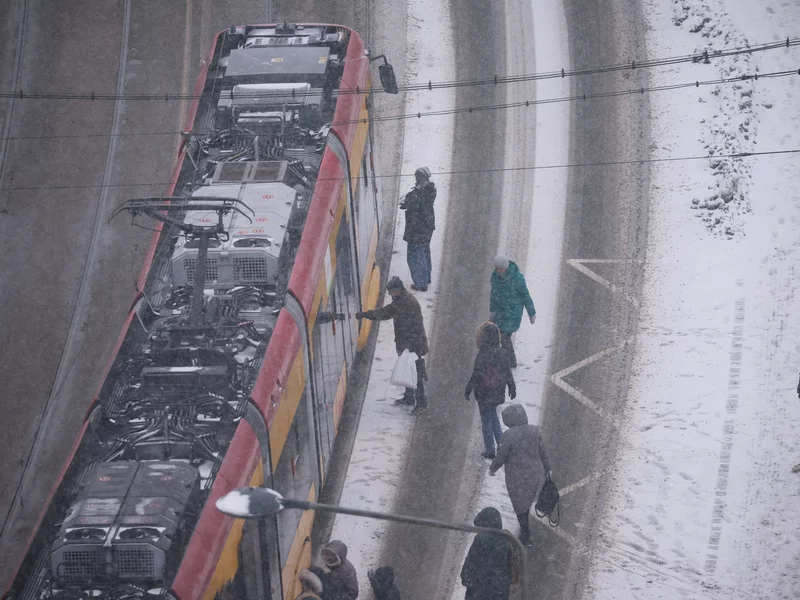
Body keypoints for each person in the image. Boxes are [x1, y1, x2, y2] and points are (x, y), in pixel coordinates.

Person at [356, 276, 429, 415]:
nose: (390, 294)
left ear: (397, 290)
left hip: (413, 346)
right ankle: (409, 397)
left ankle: (421, 403)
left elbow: (384, 313)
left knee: (416, 374)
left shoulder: (404, 303)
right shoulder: (404, 300)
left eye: (391, 292)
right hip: (410, 344)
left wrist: (366, 314)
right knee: (409, 371)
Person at [489, 404, 551, 545]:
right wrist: (548, 468)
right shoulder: (535, 431)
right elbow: (543, 452)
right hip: (533, 473)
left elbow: (501, 456)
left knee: (519, 503)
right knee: (527, 499)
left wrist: (493, 468)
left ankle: (525, 532)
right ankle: (525, 526)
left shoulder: (508, 436)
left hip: (515, 476)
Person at [465, 322, 516, 459]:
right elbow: (507, 372)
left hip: (484, 393)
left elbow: (476, 374)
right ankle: (500, 443)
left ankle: (490, 449)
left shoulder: (482, 354)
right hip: (497, 392)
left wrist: (469, 388)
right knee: (493, 416)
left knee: (486, 420)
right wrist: (511, 386)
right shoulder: (503, 353)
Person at [489, 255, 536, 368]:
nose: (499, 271)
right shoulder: (495, 277)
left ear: (506, 267)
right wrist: (492, 310)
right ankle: (506, 360)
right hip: (500, 312)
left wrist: (531, 313)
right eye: (497, 268)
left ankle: (510, 362)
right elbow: (493, 296)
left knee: (505, 337)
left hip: (512, 313)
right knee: (499, 336)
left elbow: (525, 296)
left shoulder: (517, 279)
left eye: (501, 268)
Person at [460, 507, 513, 600]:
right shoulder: (506, 540)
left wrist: (466, 577)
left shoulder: (481, 539)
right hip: (499, 593)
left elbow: (470, 563)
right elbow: (509, 570)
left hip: (478, 591)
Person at [399, 166, 436, 292]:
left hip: (416, 230)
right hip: (427, 227)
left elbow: (410, 202)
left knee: (415, 256)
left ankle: (421, 283)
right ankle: (427, 277)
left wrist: (406, 202)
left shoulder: (417, 194)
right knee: (424, 252)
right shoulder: (431, 190)